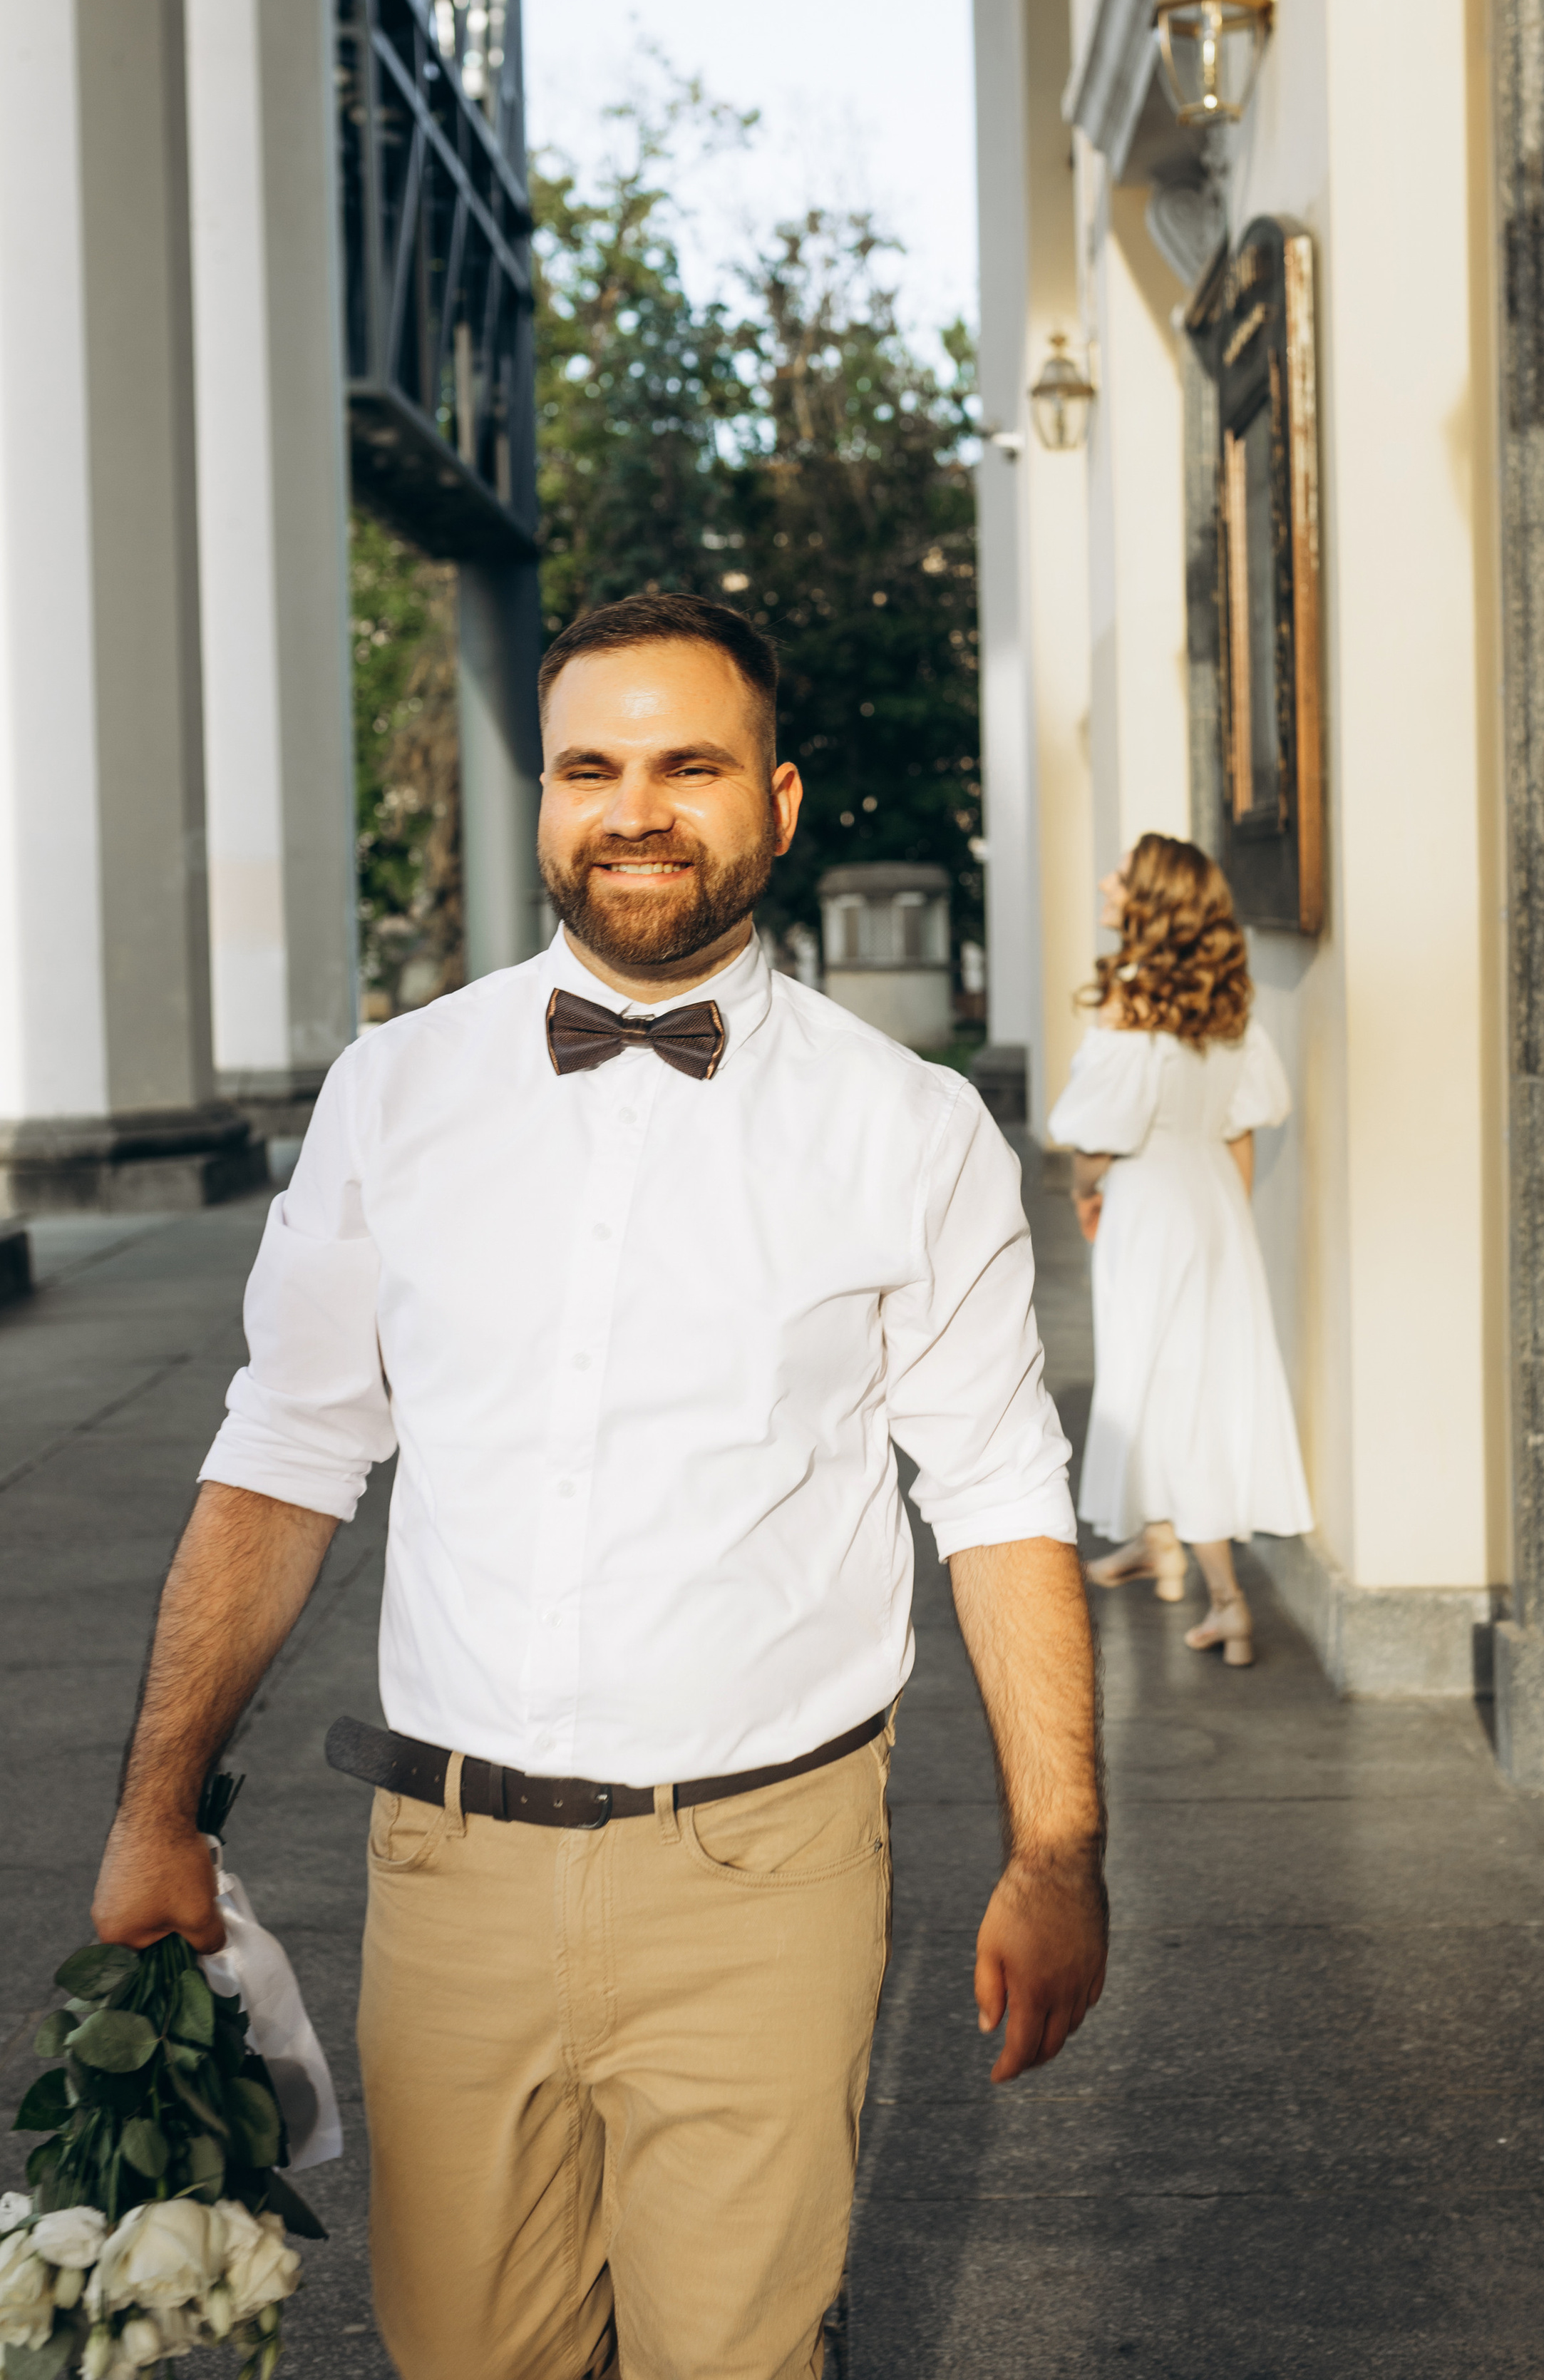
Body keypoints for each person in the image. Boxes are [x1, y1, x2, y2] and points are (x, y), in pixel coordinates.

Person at [91, 593, 1107, 2380]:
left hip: (762, 1866)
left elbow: (998, 1488)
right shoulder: (395, 1093)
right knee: (465, 2353)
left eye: (687, 764)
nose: (634, 808)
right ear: (543, 796)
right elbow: (285, 1452)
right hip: (447, 1867)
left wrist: (1058, 1845)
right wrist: (156, 1803)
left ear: (776, 803)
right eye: (590, 766)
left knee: (736, 2354)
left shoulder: (908, 1128)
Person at [1047, 832, 1312, 1663]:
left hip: (1152, 1204)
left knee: (1157, 1380)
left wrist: (1083, 1188)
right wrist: (1224, 1220)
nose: (1103, 881)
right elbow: (1241, 1130)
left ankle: (1227, 1599)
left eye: (1118, 875)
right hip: (1209, 1203)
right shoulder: (1224, 1001)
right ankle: (1157, 1545)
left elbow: (1096, 1140)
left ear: (1150, 903)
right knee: (1184, 1372)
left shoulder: (1129, 1005)